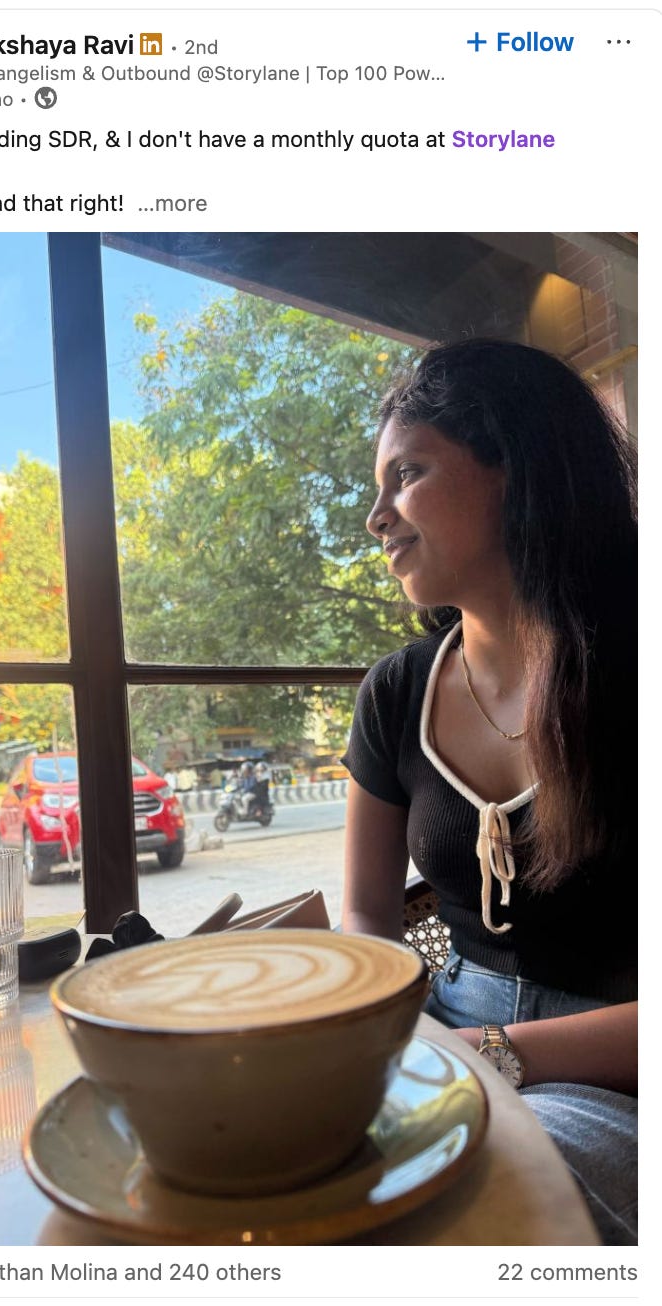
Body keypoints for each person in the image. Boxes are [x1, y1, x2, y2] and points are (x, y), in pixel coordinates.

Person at [341, 338, 637, 1245]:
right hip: (444, 1028)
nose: (376, 518)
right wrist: (378, 1036)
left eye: (407, 474)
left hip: (615, 1066)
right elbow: (367, 917)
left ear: (513, 465)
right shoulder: (396, 692)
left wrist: (489, 1056)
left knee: (460, 1201)